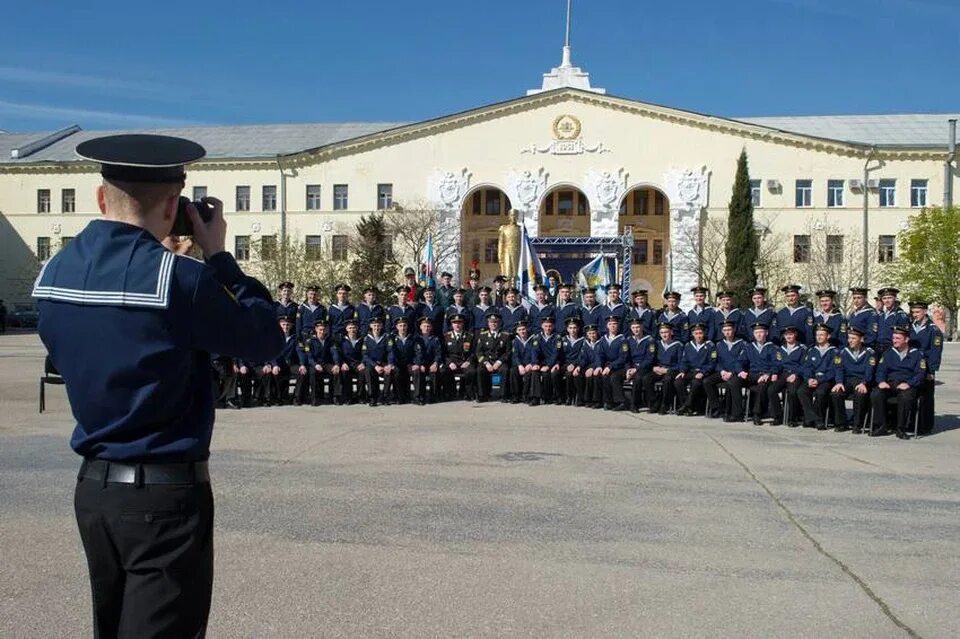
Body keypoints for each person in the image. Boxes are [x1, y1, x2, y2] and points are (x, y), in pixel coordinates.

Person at [32, 133, 282, 637]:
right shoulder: (178, 279)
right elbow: (265, 339)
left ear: (102, 197)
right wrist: (218, 256)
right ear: (175, 206)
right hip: (163, 498)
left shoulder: (55, 271)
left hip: (95, 489)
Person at [871, 326, 926, 438]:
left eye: (898, 338)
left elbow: (921, 374)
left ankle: (900, 429)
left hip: (908, 384)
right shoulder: (888, 353)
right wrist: (881, 381)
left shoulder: (917, 355)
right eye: (893, 338)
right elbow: (880, 370)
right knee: (876, 394)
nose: (894, 341)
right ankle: (881, 426)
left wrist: (909, 384)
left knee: (905, 397)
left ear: (906, 340)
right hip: (891, 383)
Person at [830, 327, 875, 433]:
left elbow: (870, 370)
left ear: (861, 339)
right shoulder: (842, 352)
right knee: (836, 394)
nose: (850, 341)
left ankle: (857, 424)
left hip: (862, 381)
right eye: (849, 338)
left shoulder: (869, 353)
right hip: (847, 380)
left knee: (860, 394)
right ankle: (841, 423)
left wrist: (864, 382)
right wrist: (839, 382)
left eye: (853, 338)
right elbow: (839, 368)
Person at [908, 301, 943, 435]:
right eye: (913, 312)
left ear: (925, 311)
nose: (915, 315)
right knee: (912, 394)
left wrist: (932, 370)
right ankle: (911, 422)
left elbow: (935, 351)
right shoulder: (911, 327)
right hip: (912, 366)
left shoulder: (933, 330)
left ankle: (926, 425)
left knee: (926, 396)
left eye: (917, 312)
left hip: (926, 367)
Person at [704, 320, 748, 421]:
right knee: (707, 381)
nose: (727, 332)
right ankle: (717, 408)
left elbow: (742, 361)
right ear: (722, 332)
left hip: (736, 373)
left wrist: (732, 373)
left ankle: (735, 412)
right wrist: (722, 371)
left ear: (734, 330)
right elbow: (716, 361)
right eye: (725, 330)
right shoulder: (719, 345)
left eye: (729, 329)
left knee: (732, 383)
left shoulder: (742, 344)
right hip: (723, 372)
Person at [797, 324, 838, 429]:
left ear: (828, 336)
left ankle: (813, 419)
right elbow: (807, 367)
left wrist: (819, 380)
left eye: (822, 335)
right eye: (817, 335)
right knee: (801, 391)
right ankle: (815, 419)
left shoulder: (834, 352)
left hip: (826, 380)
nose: (819, 337)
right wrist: (809, 378)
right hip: (812, 378)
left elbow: (833, 371)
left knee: (820, 393)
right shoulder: (812, 350)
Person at [741, 322, 782, 425]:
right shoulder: (749, 347)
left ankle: (756, 414)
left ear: (766, 333)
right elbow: (740, 361)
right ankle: (735, 412)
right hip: (753, 375)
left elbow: (777, 363)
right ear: (753, 334)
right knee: (735, 381)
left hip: (766, 375)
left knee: (762, 386)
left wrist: (768, 374)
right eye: (756, 332)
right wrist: (740, 371)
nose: (759, 335)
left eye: (761, 332)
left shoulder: (773, 347)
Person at [675, 323, 716, 416]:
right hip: (691, 371)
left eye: (700, 333)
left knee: (696, 383)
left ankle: (687, 406)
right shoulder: (688, 345)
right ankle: (687, 406)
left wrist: (703, 372)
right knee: (678, 382)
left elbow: (712, 363)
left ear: (704, 333)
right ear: (693, 334)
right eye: (696, 333)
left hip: (703, 372)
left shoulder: (710, 345)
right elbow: (684, 361)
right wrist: (682, 371)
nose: (698, 336)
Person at [768, 326, 806, 426]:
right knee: (771, 390)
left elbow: (804, 365)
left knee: (792, 392)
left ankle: (792, 419)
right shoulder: (781, 349)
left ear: (795, 335)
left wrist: (796, 374)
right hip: (784, 374)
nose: (788, 336)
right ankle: (777, 416)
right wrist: (775, 373)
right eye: (786, 335)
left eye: (790, 334)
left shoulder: (802, 348)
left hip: (796, 375)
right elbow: (777, 363)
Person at [643, 323, 683, 414]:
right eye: (662, 333)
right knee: (646, 379)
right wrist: (654, 367)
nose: (664, 335)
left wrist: (668, 370)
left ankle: (664, 404)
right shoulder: (657, 344)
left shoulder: (678, 345)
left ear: (671, 332)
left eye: (666, 332)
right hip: (659, 369)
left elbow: (681, 363)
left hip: (672, 370)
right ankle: (655, 402)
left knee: (667, 380)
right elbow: (651, 358)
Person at [475, 313, 512, 402]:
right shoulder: (483, 335)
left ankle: (503, 395)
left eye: (495, 322)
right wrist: (486, 363)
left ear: (499, 323)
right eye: (491, 322)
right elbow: (479, 352)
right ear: (488, 323)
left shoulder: (505, 335)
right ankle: (482, 395)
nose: (493, 324)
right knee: (480, 370)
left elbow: (508, 352)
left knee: (505, 370)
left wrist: (499, 362)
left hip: (500, 361)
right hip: (487, 361)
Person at [599, 316, 630, 411]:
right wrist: (599, 366)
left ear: (618, 326)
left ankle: (621, 402)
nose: (613, 326)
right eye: (610, 324)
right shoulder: (603, 339)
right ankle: (608, 402)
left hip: (621, 366)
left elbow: (623, 357)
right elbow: (600, 355)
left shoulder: (622, 339)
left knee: (614, 377)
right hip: (609, 366)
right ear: (607, 326)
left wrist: (610, 366)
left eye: (615, 324)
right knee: (604, 376)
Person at [305, 320, 339, 405]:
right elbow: (309, 356)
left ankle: (334, 396)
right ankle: (314, 397)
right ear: (316, 329)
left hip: (326, 363)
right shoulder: (309, 341)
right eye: (320, 329)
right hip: (315, 364)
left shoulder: (330, 340)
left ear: (327, 330)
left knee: (336, 371)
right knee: (312, 373)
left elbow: (334, 352)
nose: (322, 332)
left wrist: (336, 364)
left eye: (324, 329)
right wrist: (315, 365)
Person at [442, 313, 475, 400]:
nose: (457, 325)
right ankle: (450, 393)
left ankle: (466, 393)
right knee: (444, 371)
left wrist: (468, 361)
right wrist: (449, 363)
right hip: (452, 362)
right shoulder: (446, 337)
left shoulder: (469, 336)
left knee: (471, 371)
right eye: (455, 323)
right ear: (452, 324)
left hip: (465, 361)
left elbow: (473, 352)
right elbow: (443, 353)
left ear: (463, 324)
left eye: (459, 322)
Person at [626, 318, 655, 413]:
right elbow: (626, 357)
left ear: (642, 327)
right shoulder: (628, 340)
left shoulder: (649, 340)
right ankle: (628, 403)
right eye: (633, 327)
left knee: (638, 378)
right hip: (632, 367)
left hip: (645, 367)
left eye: (638, 327)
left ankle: (636, 404)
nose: (636, 329)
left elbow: (649, 359)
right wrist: (628, 369)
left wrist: (636, 369)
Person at [509, 320, 541, 405]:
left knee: (530, 373)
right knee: (513, 371)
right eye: (519, 330)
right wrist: (519, 365)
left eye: (523, 329)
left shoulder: (533, 339)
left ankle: (528, 396)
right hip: (520, 364)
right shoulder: (515, 340)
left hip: (530, 363)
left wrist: (531, 364)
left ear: (527, 329)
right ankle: (516, 395)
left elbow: (535, 352)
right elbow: (515, 355)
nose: (522, 331)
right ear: (516, 331)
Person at [413, 316, 443, 404]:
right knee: (418, 372)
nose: (426, 328)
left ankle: (433, 396)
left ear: (431, 328)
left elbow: (438, 353)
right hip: (419, 364)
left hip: (431, 364)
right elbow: (414, 353)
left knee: (434, 372)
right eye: (424, 326)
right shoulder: (416, 339)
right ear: (420, 327)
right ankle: (418, 397)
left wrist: (435, 363)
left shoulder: (435, 339)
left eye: (428, 326)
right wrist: (419, 364)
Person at [361, 316, 390, 406]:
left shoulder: (386, 337)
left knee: (389, 372)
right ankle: (372, 397)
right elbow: (365, 355)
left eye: (378, 325)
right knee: (368, 371)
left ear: (381, 326)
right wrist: (375, 365)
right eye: (374, 325)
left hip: (383, 363)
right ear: (370, 326)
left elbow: (390, 352)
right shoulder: (366, 338)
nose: (376, 327)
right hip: (372, 364)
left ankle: (385, 397)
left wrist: (389, 364)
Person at [387, 317, 416, 404]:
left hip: (409, 362)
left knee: (409, 372)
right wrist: (391, 363)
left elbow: (416, 352)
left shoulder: (412, 337)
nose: (402, 328)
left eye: (404, 325)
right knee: (397, 372)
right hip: (397, 362)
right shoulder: (392, 338)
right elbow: (391, 351)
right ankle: (398, 397)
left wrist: (414, 363)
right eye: (400, 326)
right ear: (396, 327)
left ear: (407, 327)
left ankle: (409, 395)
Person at [535, 316, 564, 404]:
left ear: (553, 326)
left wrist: (549, 365)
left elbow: (556, 353)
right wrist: (535, 363)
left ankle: (558, 396)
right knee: (543, 374)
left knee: (554, 374)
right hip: (542, 362)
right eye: (546, 326)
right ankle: (545, 397)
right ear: (542, 326)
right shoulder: (537, 337)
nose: (548, 328)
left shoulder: (557, 337)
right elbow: (535, 351)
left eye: (550, 326)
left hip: (554, 362)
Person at [336, 319, 364, 404]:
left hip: (357, 363)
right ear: (346, 329)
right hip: (346, 363)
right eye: (350, 328)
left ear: (357, 328)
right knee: (345, 373)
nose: (352, 330)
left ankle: (360, 397)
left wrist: (363, 363)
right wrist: (342, 363)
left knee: (363, 372)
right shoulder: (341, 339)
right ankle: (348, 397)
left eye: (354, 328)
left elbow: (366, 353)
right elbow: (338, 353)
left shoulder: (362, 339)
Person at [875, 287, 908, 356]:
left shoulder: (900, 315)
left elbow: (902, 336)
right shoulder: (881, 315)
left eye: (889, 298)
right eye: (884, 298)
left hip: (892, 348)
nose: (887, 301)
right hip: (878, 348)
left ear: (895, 298)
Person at [580, 325, 605, 409]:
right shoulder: (586, 344)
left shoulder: (601, 343)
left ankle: (597, 400)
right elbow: (584, 358)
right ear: (587, 335)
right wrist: (579, 366)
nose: (592, 335)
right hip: (590, 366)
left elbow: (601, 358)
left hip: (600, 366)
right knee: (583, 375)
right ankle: (587, 399)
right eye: (590, 333)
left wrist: (593, 367)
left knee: (596, 376)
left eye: (594, 333)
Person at [562, 318, 586, 405]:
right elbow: (561, 355)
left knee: (578, 375)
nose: (573, 330)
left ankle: (579, 397)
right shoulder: (563, 340)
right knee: (568, 375)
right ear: (567, 329)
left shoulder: (583, 340)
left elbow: (582, 355)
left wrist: (575, 365)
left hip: (578, 364)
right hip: (565, 365)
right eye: (571, 328)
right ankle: (569, 397)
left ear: (578, 328)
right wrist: (568, 365)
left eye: (575, 328)